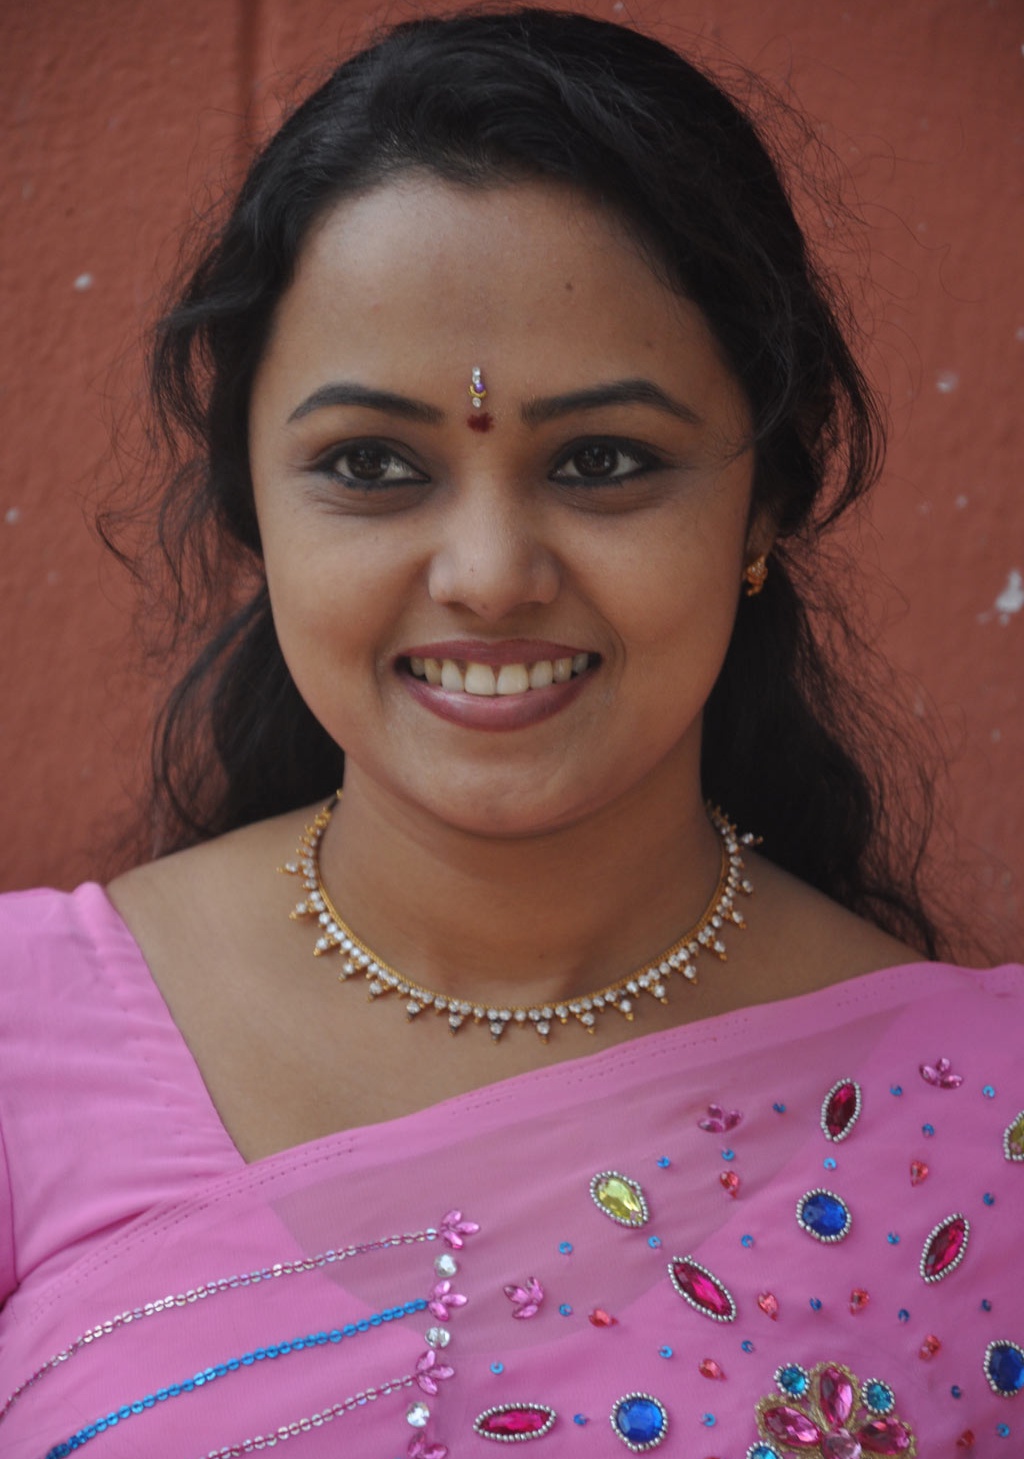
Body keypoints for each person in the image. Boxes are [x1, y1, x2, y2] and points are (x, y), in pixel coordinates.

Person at [0, 9, 1020, 1456]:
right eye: (371, 464)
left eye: (603, 460)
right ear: (253, 511)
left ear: (767, 504)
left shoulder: (984, 1125)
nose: (488, 576)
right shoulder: (24, 1035)